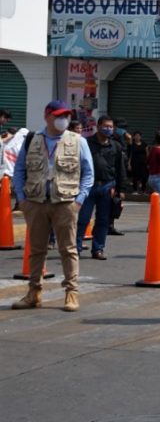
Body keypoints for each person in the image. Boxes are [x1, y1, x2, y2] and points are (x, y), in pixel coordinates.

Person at [11, 100, 94, 312]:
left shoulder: (77, 141)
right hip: (36, 202)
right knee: (37, 250)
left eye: (66, 116)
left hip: (65, 203)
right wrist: (22, 199)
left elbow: (88, 173)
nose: (63, 120)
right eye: (58, 115)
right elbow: (19, 169)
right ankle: (34, 293)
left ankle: (71, 293)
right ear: (47, 116)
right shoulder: (32, 139)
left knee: (68, 249)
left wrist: (78, 201)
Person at [75, 116, 127, 260]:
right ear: (98, 126)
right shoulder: (86, 143)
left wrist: (121, 189)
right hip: (88, 186)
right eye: (105, 126)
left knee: (103, 220)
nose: (108, 129)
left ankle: (98, 249)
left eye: (111, 127)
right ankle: (76, 249)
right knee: (83, 219)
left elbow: (120, 168)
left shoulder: (116, 146)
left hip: (107, 186)